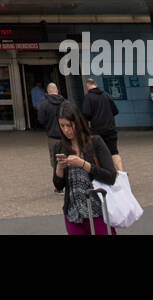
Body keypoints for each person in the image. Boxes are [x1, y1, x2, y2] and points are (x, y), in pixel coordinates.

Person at [52, 102, 117, 235]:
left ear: (78, 122)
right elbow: (58, 185)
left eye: (69, 125)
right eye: (62, 126)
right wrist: (59, 168)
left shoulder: (95, 142)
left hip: (97, 209)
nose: (66, 130)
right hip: (73, 212)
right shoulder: (59, 147)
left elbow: (111, 176)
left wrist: (83, 164)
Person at [80, 77, 122, 170]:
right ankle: (121, 174)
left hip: (97, 130)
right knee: (114, 152)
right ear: (96, 84)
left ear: (87, 86)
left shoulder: (88, 97)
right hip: (111, 129)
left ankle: (104, 174)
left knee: (98, 153)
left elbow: (86, 114)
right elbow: (115, 111)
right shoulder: (106, 95)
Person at [37, 83, 68, 172]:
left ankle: (58, 180)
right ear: (57, 91)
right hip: (67, 136)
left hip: (52, 136)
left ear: (47, 92)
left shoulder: (44, 105)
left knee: (55, 160)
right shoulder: (66, 103)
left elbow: (41, 120)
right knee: (68, 156)